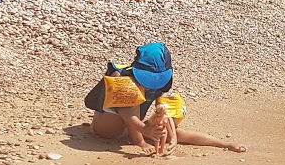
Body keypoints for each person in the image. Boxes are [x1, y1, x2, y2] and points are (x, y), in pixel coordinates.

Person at [86, 42, 245, 154]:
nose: (152, 83)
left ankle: (223, 143)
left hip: (134, 126)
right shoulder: (121, 76)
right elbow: (126, 112)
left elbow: (163, 111)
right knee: (132, 95)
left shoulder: (160, 83)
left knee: (166, 124)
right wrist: (142, 137)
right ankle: (138, 139)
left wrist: (172, 137)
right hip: (107, 129)